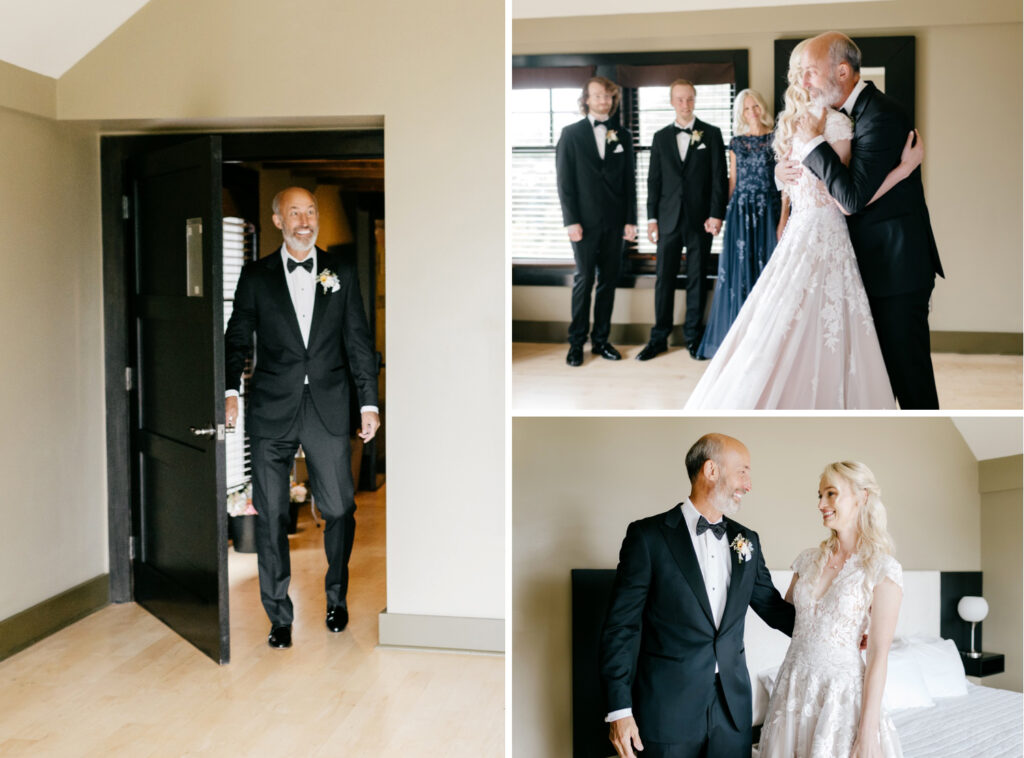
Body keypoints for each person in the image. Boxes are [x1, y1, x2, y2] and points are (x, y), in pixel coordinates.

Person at [684, 40, 921, 409]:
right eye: (801, 75)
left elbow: (843, 196)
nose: (805, 81)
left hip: (819, 230)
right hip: (806, 228)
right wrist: (781, 175)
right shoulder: (801, 123)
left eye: (809, 72)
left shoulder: (832, 123)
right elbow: (816, 189)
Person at [224, 186, 379, 649]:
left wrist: (368, 403)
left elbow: (357, 340)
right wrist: (231, 390)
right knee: (270, 516)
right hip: (272, 408)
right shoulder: (255, 276)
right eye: (295, 212)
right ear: (278, 221)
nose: (305, 219)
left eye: (310, 211)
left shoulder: (341, 271)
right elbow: (237, 338)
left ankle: (336, 597)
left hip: (328, 407)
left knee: (339, 508)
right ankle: (279, 615)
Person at [600, 434, 795, 758]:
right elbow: (621, 628)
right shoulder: (648, 537)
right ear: (711, 470)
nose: (748, 484)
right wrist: (619, 710)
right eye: (742, 471)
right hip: (666, 711)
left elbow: (773, 608)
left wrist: (838, 629)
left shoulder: (747, 540)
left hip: (733, 712)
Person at [783, 32, 944, 409]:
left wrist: (810, 146)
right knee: (876, 381)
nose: (803, 81)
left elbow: (851, 199)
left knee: (910, 379)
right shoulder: (841, 117)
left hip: (896, 269)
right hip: (860, 269)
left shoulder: (882, 114)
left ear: (842, 71)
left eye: (810, 72)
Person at [759, 461, 904, 758]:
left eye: (831, 494)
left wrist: (867, 734)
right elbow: (786, 616)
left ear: (862, 497)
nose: (821, 504)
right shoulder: (807, 560)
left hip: (840, 699)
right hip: (793, 690)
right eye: (819, 495)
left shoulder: (882, 569)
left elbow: (878, 656)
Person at [637, 80, 728, 362]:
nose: (685, 104)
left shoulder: (711, 134)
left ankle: (693, 337)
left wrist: (716, 214)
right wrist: (652, 219)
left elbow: (718, 178)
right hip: (667, 221)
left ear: (695, 99)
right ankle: (658, 338)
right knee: (664, 279)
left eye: (689, 99)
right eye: (679, 99)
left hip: (701, 221)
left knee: (697, 280)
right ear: (671, 102)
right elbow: (654, 181)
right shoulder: (660, 137)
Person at [555, 76, 638, 367]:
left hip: (615, 223)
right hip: (583, 224)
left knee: (608, 283)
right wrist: (571, 221)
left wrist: (631, 220)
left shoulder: (623, 136)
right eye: (598, 96)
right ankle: (576, 343)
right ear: (586, 99)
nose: (604, 101)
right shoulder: (571, 134)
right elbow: (564, 183)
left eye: (608, 96)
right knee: (584, 279)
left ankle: (601, 341)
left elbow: (629, 181)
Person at [695, 88, 783, 360]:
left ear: (762, 107)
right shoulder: (736, 143)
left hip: (769, 208)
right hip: (740, 212)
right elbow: (732, 182)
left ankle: (768, 340)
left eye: (755, 106)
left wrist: (785, 217)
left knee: (769, 273)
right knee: (740, 273)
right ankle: (741, 340)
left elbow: (784, 182)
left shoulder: (776, 137)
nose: (752, 112)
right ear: (741, 113)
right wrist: (721, 215)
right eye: (747, 108)